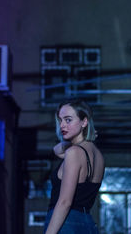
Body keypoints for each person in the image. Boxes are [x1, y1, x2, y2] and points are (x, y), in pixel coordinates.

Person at [44, 99, 105, 234]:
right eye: (60, 120)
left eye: (68, 120)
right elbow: (56, 150)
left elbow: (65, 202)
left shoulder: (74, 153)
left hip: (66, 224)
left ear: (84, 122)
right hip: (87, 224)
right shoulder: (98, 156)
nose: (62, 125)